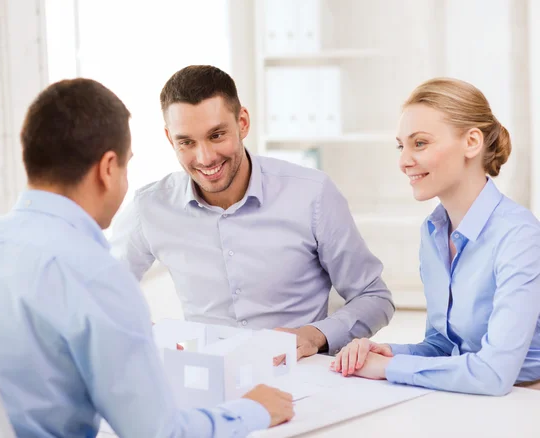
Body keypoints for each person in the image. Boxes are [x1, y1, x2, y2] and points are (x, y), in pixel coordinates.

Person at [0, 78, 294, 437]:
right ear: (108, 168)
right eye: (126, 167)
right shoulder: (94, 276)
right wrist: (252, 411)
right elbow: (159, 434)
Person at [110, 65, 395, 361]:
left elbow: (374, 297)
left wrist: (315, 335)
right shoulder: (150, 207)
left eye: (217, 135)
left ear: (242, 122)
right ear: (171, 139)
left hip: (302, 378)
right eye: (187, 142)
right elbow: (99, 292)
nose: (205, 157)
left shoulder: (312, 194)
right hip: (207, 384)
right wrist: (142, 332)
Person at [330, 77, 540, 395]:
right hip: (468, 399)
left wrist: (388, 368)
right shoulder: (433, 233)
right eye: (401, 146)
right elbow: (443, 345)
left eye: (420, 143)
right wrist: (384, 353)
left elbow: (494, 374)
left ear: (472, 142)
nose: (403, 161)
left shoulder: (519, 236)